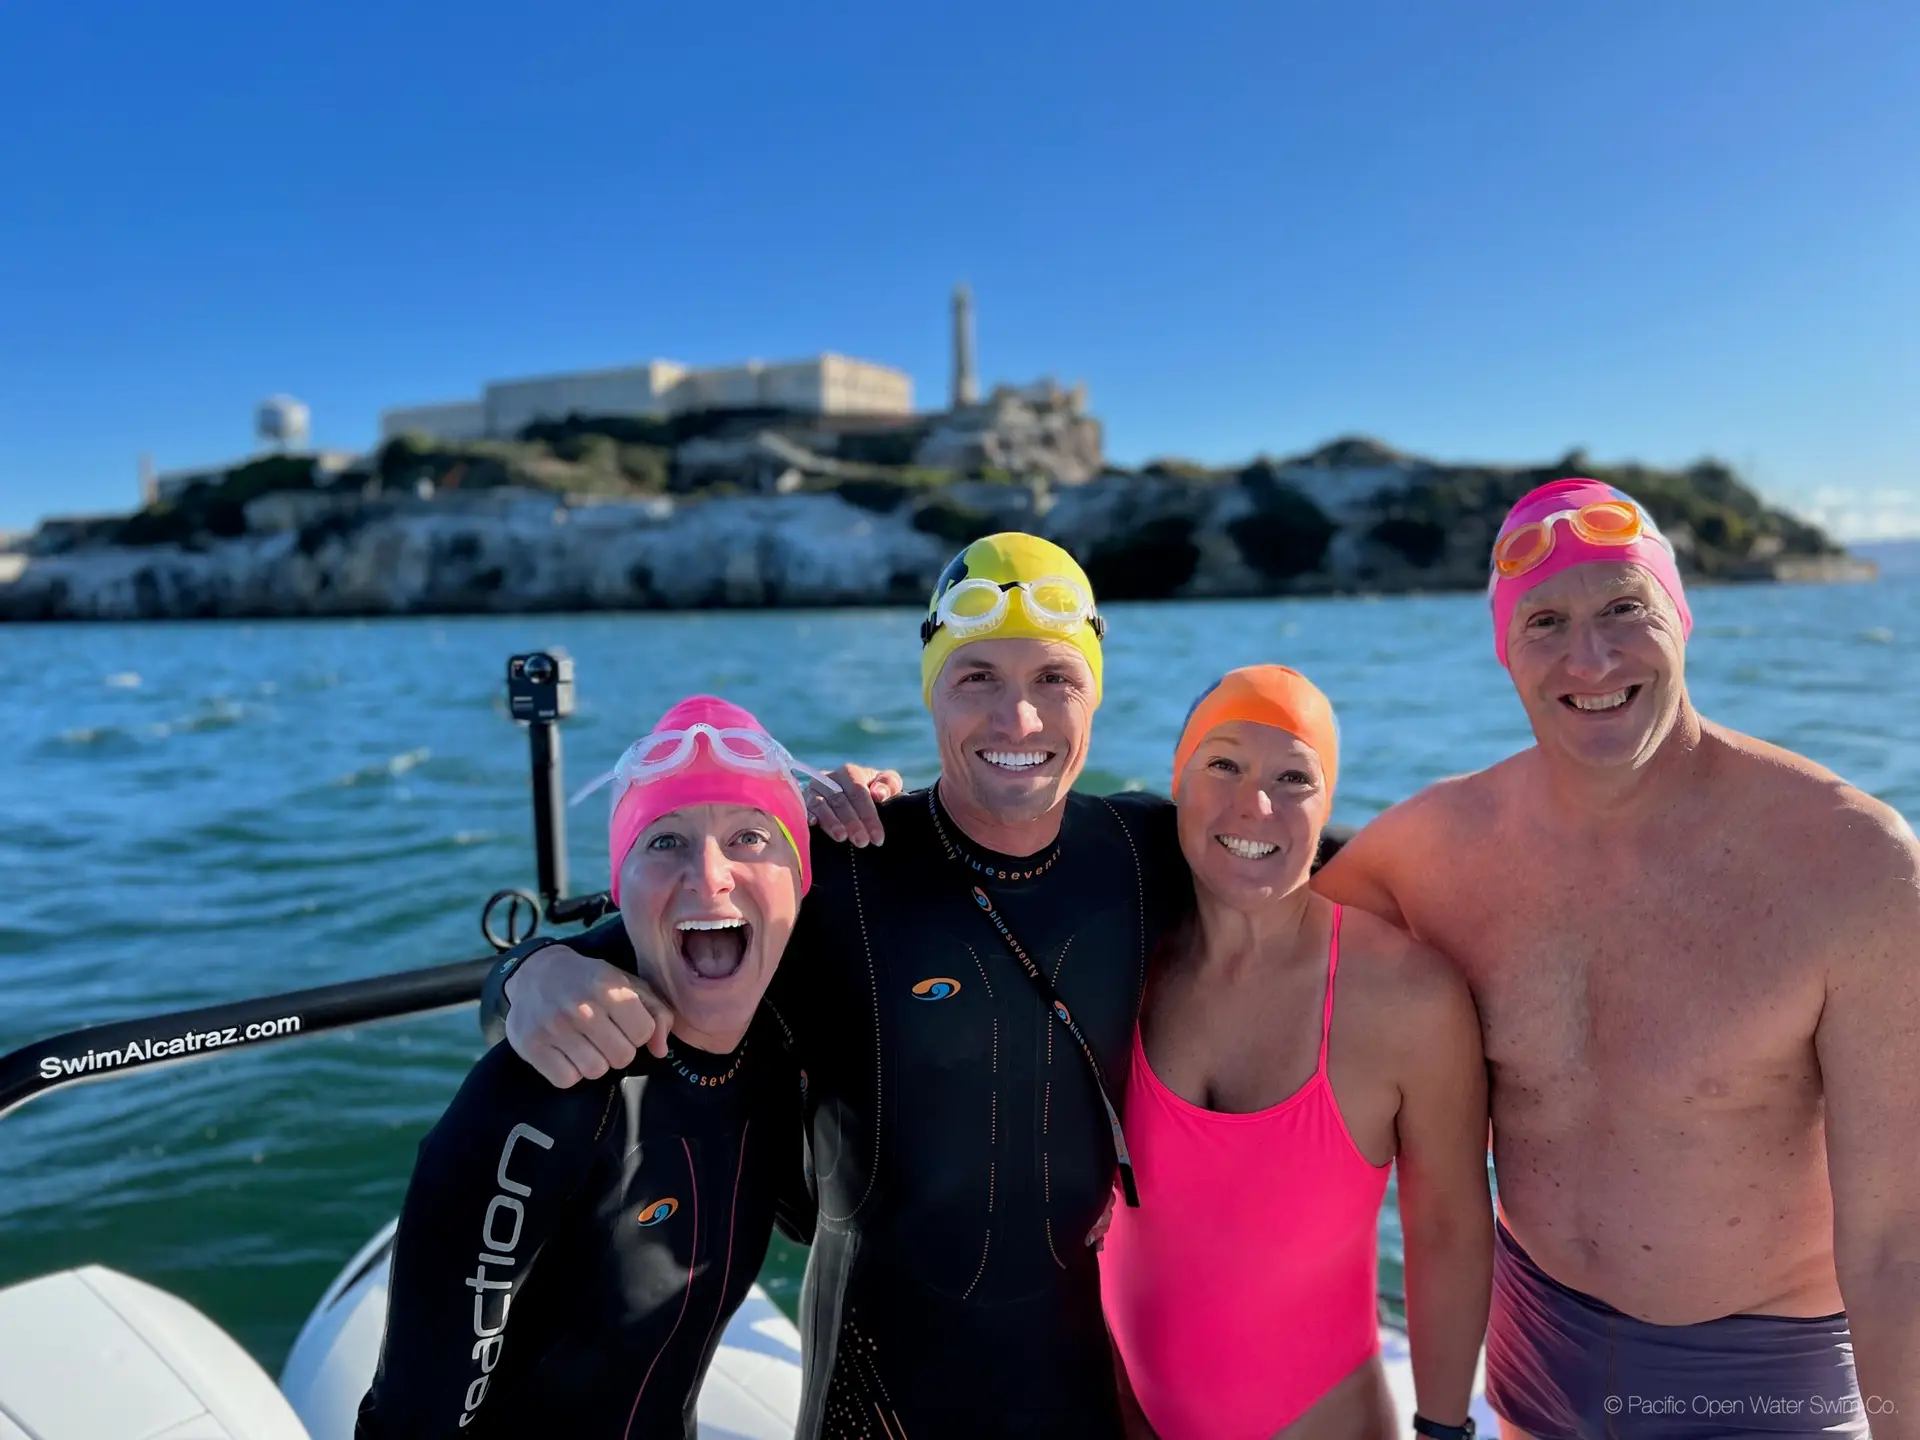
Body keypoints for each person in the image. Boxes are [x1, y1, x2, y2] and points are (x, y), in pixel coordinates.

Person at [482, 534, 1190, 1439]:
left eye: (1054, 678)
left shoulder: (1147, 854)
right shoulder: (847, 867)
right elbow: (568, 969)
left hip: (1083, 1382)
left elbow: (1337, 869)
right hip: (875, 1388)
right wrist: (531, 973)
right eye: (975, 676)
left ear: (1094, 689)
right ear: (931, 688)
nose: (1018, 720)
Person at [1310, 479, 1920, 1438]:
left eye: (1624, 610)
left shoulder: (1852, 864)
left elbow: (1896, 1246)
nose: (1588, 658)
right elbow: (1262, 951)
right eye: (1545, 621)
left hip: (1764, 1376)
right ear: (1506, 654)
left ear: (1681, 617)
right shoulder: (1435, 849)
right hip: (1530, 1341)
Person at [356, 696, 816, 1440]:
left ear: (800, 884)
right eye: (664, 842)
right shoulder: (544, 1099)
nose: (710, 876)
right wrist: (526, 971)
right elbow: (411, 1423)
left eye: (749, 837)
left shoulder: (778, 1048)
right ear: (620, 890)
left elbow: (814, 1213)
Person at [1100, 665, 1492, 1440]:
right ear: (1177, 780)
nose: (1256, 805)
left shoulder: (1404, 995)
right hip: (1122, 1413)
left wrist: (1444, 1430)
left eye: (1293, 778)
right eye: (1224, 765)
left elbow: (1448, 1227)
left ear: (1327, 804)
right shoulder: (1123, 956)